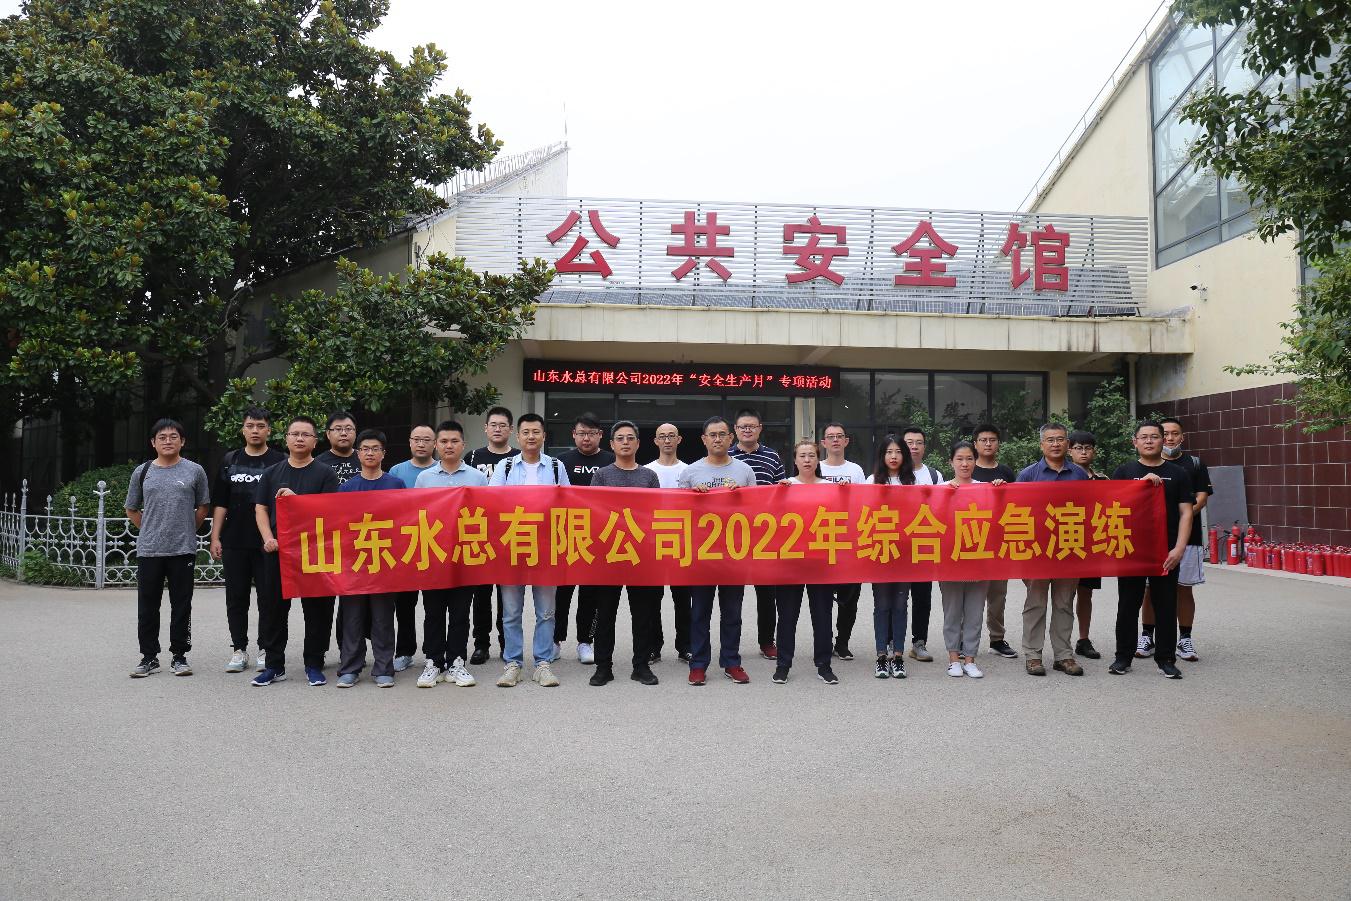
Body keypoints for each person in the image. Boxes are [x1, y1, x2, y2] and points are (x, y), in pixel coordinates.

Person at [251, 416, 339, 687]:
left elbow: (330, 512)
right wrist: (268, 538)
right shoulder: (272, 473)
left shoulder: (325, 473)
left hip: (314, 552)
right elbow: (261, 509)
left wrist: (297, 501)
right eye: (294, 434)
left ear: (315, 441)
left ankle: (314, 663)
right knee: (273, 610)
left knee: (318, 611)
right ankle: (274, 665)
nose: (299, 439)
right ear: (286, 438)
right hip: (279, 552)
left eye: (306, 435)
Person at [488, 413, 571, 687]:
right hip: (512, 547)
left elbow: (569, 504)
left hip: (546, 548)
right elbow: (492, 503)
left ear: (544, 436)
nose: (531, 436)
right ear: (518, 436)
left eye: (536, 432)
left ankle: (542, 664)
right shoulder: (505, 467)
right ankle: (513, 663)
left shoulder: (556, 466)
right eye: (526, 432)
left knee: (546, 611)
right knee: (511, 612)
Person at [126, 419, 211, 678]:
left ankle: (179, 656)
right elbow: (132, 508)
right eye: (161, 437)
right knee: (147, 606)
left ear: (182, 441)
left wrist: (187, 529)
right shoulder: (142, 472)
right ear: (153, 443)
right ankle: (149, 656)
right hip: (149, 550)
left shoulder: (195, 471)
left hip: (182, 549)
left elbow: (203, 506)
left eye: (173, 436)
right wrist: (150, 529)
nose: (167, 441)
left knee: (181, 605)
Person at [1110, 422, 1194, 679]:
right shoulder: (1124, 471)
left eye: (1155, 437)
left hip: (1165, 552)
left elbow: (1186, 512)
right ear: (1134, 442)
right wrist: (1139, 486)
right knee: (1128, 604)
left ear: (1163, 441)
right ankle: (1123, 657)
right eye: (1144, 437)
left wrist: (1179, 548)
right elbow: (1112, 506)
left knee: (1166, 605)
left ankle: (1166, 659)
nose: (1149, 441)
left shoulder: (1178, 473)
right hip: (1130, 549)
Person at [679, 416, 757, 686]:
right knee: (699, 612)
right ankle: (698, 664)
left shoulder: (744, 471)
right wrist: (693, 497)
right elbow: (678, 514)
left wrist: (741, 495)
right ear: (704, 439)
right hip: (702, 553)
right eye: (712, 435)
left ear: (731, 438)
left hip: (734, 553)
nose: (717, 439)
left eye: (722, 434)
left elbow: (756, 512)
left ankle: (731, 661)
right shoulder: (691, 472)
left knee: (732, 612)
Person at [209, 407, 284, 673]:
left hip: (268, 542)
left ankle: (266, 647)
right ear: (243, 430)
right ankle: (239, 649)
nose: (255, 430)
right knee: (236, 597)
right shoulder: (230, 460)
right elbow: (220, 503)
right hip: (234, 540)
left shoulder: (279, 461)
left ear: (269, 431)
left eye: (260, 426)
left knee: (268, 597)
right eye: (250, 426)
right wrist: (215, 537)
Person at [414, 420, 489, 688]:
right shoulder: (424, 478)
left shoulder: (477, 478)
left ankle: (457, 662)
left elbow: (485, 515)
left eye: (454, 441)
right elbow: (417, 516)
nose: (449, 446)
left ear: (463, 445)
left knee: (460, 613)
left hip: (464, 556)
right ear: (436, 445)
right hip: (434, 555)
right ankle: (433, 662)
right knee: (433, 612)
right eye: (444, 441)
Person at [589, 421, 663, 686]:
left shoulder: (649, 476)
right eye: (620, 438)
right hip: (609, 555)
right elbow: (593, 512)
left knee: (642, 615)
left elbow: (655, 514)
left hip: (640, 555)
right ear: (611, 444)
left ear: (638, 443)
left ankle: (640, 666)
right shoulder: (602, 476)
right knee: (605, 614)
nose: (625, 442)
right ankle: (603, 667)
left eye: (630, 438)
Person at [1015, 422, 1089, 677]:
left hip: (1069, 548)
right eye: (1050, 440)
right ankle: (1033, 656)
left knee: (1064, 603)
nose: (1055, 444)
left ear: (1068, 444)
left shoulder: (1079, 474)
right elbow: (1016, 511)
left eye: (1060, 439)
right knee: (1035, 603)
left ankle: (1063, 656)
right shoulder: (1028, 475)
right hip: (1037, 551)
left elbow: (1090, 509)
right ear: (1041, 445)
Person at [1137, 416, 1213, 663]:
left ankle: (1185, 638)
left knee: (1184, 588)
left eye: (1174, 434)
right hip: (1150, 538)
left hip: (1186, 538)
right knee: (1149, 589)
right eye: (1165, 434)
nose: (1170, 438)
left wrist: (1180, 517)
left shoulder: (1193, 464)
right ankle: (1147, 636)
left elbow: (1201, 497)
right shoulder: (1140, 466)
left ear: (1182, 437)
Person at [334, 430, 405, 687]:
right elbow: (338, 524)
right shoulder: (347, 487)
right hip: (354, 563)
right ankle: (350, 668)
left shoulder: (395, 485)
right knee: (352, 617)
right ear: (358, 453)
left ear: (383, 454)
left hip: (385, 560)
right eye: (365, 449)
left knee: (383, 617)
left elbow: (404, 520)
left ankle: (384, 667)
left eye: (375, 449)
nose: (370, 453)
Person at [774, 439, 839, 685]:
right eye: (802, 456)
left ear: (817, 458)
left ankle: (824, 665)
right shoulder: (785, 485)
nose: (807, 460)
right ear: (795, 460)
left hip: (820, 561)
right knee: (787, 616)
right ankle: (783, 665)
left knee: (822, 616)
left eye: (811, 455)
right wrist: (777, 494)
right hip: (791, 562)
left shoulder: (829, 487)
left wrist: (845, 491)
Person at [555, 413, 615, 665]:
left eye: (591, 433)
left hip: (598, 539)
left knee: (590, 594)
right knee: (561, 592)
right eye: (581, 433)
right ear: (574, 435)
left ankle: (585, 641)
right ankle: (555, 640)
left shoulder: (611, 460)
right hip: (566, 536)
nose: (586, 438)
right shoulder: (561, 461)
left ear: (600, 435)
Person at [729, 408, 787, 661]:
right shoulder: (725, 456)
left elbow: (781, 493)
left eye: (752, 426)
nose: (747, 430)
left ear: (760, 428)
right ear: (735, 430)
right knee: (733, 594)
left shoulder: (772, 457)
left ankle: (767, 641)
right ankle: (732, 644)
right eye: (743, 426)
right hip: (733, 535)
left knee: (767, 593)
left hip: (765, 534)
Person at [466, 406, 515, 665]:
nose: (497, 429)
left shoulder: (518, 458)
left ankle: (507, 644)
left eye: (502, 425)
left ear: (511, 430)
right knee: (481, 595)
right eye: (493, 425)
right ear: (485, 428)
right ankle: (481, 644)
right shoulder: (473, 456)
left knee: (508, 595)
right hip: (480, 534)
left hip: (509, 535)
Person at [387, 423, 438, 670]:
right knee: (404, 604)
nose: (421, 444)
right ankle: (405, 651)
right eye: (417, 439)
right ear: (409, 442)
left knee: (433, 604)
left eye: (426, 440)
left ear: (434, 444)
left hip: (433, 545)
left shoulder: (440, 471)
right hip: (404, 547)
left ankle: (432, 651)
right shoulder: (396, 471)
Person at [940, 441, 989, 679]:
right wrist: (944, 496)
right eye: (959, 459)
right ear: (951, 462)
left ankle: (970, 659)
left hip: (978, 559)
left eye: (969, 458)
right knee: (952, 612)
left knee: (975, 613)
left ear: (975, 461)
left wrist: (999, 489)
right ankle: (953, 659)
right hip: (950, 560)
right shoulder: (941, 488)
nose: (965, 463)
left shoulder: (985, 488)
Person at [819, 422, 866, 661]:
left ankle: (842, 642)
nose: (835, 440)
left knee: (849, 599)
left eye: (839, 436)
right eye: (830, 437)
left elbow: (865, 503)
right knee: (823, 599)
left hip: (850, 544)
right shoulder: (815, 467)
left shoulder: (856, 470)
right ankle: (824, 642)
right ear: (823, 443)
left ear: (846, 441)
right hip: (822, 543)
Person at [645, 422, 691, 663]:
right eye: (662, 436)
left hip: (682, 542)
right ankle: (654, 646)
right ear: (655, 441)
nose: (667, 440)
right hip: (653, 543)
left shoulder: (690, 471)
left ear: (679, 440)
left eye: (671, 436)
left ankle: (685, 645)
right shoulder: (646, 471)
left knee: (683, 599)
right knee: (653, 599)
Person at [971, 424, 1017, 660]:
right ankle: (967, 641)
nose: (988, 444)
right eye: (983, 440)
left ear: (998, 443)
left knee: (998, 596)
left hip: (999, 541)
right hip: (973, 541)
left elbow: (1018, 503)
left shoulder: (1006, 472)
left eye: (992, 440)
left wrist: (1003, 490)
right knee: (972, 595)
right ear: (975, 444)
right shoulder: (968, 468)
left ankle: (997, 639)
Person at [869, 435, 912, 680]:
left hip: (905, 553)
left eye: (898, 452)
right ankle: (881, 657)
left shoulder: (913, 482)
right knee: (882, 605)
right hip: (880, 552)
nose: (893, 456)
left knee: (900, 605)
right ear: (882, 456)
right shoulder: (871, 481)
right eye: (889, 452)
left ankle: (898, 656)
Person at [902, 426, 945, 664]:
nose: (914, 447)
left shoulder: (934, 475)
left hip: (923, 545)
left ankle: (919, 642)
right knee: (896, 599)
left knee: (922, 598)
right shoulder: (890, 474)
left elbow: (943, 508)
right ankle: (892, 643)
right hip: (896, 546)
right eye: (909, 442)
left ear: (924, 447)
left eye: (919, 443)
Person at [1069, 430, 1109, 660]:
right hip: (1065, 540)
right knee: (1063, 595)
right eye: (1078, 448)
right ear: (1070, 451)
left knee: (1086, 593)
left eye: (1088, 448)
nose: (1083, 452)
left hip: (1091, 544)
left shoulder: (1103, 480)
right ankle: (1060, 641)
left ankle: (1083, 639)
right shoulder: (1063, 476)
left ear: (1094, 451)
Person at [315, 411, 360, 484]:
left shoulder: (366, 458)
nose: (343, 433)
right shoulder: (318, 464)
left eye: (348, 429)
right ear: (328, 434)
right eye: (338, 429)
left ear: (355, 432)